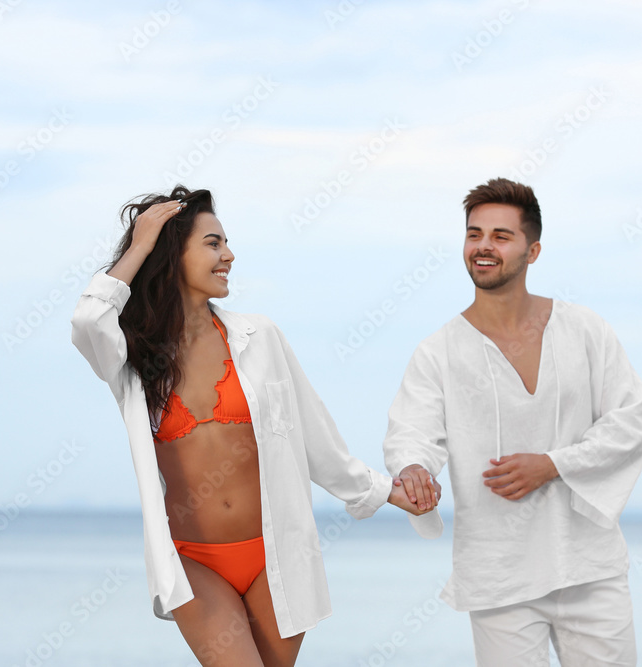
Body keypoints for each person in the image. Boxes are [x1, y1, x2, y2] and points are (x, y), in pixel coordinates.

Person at [71, 186, 435, 666]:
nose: (229, 255)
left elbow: (314, 437)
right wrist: (141, 244)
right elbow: (88, 319)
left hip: (278, 556)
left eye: (226, 243)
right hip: (194, 561)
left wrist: (385, 490)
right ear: (170, 255)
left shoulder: (258, 337)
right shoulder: (132, 357)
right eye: (213, 243)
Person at [384, 178, 642, 666]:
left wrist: (551, 464)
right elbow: (412, 432)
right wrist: (415, 468)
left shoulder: (584, 329)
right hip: (498, 574)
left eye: (501, 236)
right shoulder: (438, 351)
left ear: (533, 250)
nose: (483, 246)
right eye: (474, 233)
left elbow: (630, 422)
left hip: (589, 564)